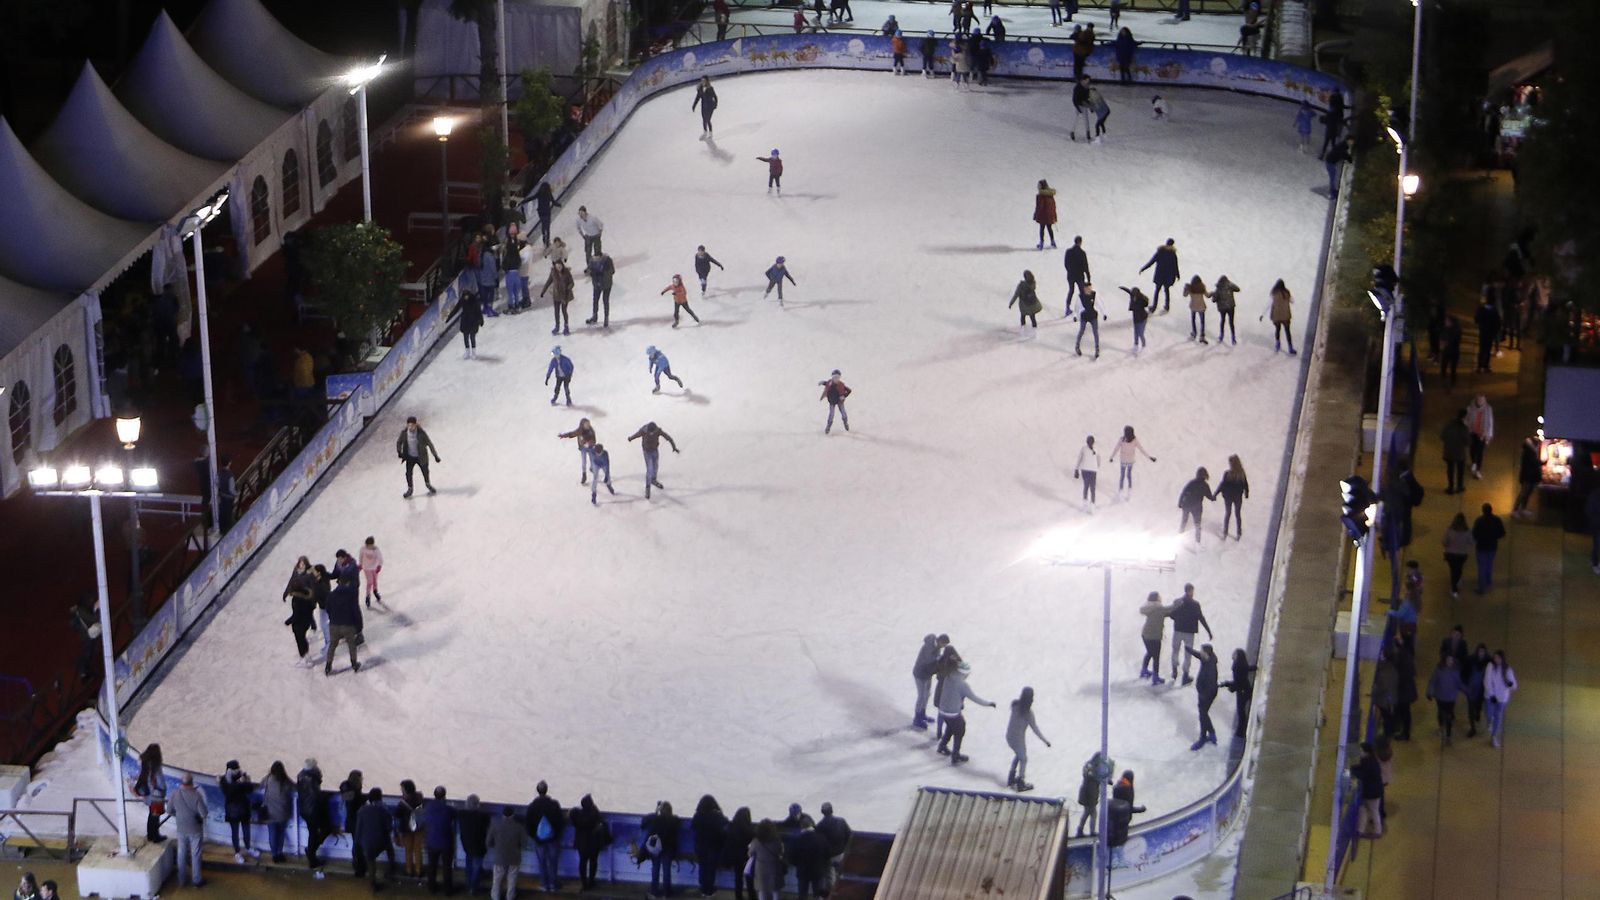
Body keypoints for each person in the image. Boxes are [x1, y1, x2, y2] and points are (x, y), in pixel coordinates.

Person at [935, 660, 997, 764]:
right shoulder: (962, 684)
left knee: (951, 727)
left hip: (942, 710)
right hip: (953, 713)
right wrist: (988, 704)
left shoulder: (948, 677)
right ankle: (955, 755)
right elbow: (974, 698)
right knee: (960, 730)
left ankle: (942, 746)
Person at [1005, 687, 1052, 791]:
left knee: (1019, 755)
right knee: (1023, 759)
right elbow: (1035, 729)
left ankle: (1011, 777)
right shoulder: (1028, 713)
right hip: (1018, 740)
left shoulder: (1015, 706)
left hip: (1009, 736)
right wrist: (1045, 741)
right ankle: (1021, 782)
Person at [354, 787, 398, 892]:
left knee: (371, 861)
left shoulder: (362, 810)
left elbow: (358, 829)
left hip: (367, 843)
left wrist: (357, 844)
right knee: (390, 849)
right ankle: (391, 868)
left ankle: (373, 883)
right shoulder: (383, 810)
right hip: (381, 840)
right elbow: (389, 827)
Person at [1168, 584, 1213, 685]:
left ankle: (1174, 670)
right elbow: (1201, 618)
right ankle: (1185, 676)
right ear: (1191, 591)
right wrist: (1208, 631)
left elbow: (1171, 614)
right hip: (1189, 632)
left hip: (1178, 630)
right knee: (1188, 653)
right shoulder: (1195, 604)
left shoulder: (1177, 601)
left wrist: (1178, 619)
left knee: (1175, 650)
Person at [170, 772, 208, 887]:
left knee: (181, 853)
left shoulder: (175, 794)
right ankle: (196, 880)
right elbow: (204, 813)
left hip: (181, 827)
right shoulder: (196, 795)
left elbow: (169, 810)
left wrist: (179, 816)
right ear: (192, 782)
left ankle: (181, 880)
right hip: (195, 828)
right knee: (195, 854)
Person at [324, 568, 363, 675]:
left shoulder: (331, 595)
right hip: (348, 625)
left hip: (334, 625)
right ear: (348, 582)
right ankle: (354, 664)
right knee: (351, 644)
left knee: (332, 645)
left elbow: (327, 609)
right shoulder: (351, 595)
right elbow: (356, 611)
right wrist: (359, 627)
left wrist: (333, 618)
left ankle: (328, 666)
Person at [220, 761, 259, 863]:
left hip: (244, 809)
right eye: (236, 769)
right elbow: (229, 793)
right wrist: (240, 783)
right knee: (235, 833)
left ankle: (248, 848)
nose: (238, 770)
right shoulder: (224, 780)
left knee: (246, 831)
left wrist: (246, 781)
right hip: (232, 811)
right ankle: (237, 852)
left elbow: (249, 789)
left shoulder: (240, 776)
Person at [629, 421, 680, 499]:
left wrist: (674, 447)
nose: (651, 434)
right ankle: (648, 487)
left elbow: (668, 437)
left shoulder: (658, 431)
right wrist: (631, 438)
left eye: (653, 432)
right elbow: (636, 435)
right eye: (650, 432)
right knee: (649, 469)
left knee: (655, 466)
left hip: (655, 450)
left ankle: (653, 479)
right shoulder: (644, 430)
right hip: (647, 452)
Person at [298, 760, 331, 878]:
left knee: (312, 832)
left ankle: (311, 854)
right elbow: (316, 797)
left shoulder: (301, 776)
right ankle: (311, 853)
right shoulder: (312, 780)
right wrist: (326, 797)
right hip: (313, 811)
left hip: (305, 810)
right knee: (326, 829)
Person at [641, 800, 682, 898]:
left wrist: (656, 811)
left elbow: (645, 822)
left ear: (661, 810)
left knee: (655, 869)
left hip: (656, 849)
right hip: (669, 849)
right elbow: (678, 822)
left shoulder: (656, 819)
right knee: (666, 870)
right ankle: (667, 892)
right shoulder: (674, 821)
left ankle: (654, 891)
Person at [569, 794, 609, 892]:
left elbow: (572, 816)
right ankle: (591, 881)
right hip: (594, 843)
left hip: (582, 843)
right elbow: (602, 823)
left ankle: (584, 883)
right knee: (593, 862)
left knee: (582, 863)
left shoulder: (578, 815)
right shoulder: (595, 814)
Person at [488, 804, 528, 899]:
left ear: (502, 815)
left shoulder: (495, 825)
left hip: (499, 857)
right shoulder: (519, 827)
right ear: (513, 815)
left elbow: (488, 842)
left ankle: (495, 897)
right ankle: (510, 897)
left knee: (497, 880)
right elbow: (524, 845)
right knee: (512, 880)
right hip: (514, 858)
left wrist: (497, 847)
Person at [282, 556, 317, 663]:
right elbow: (291, 581)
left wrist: (288, 621)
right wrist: (285, 593)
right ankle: (311, 627)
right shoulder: (296, 572)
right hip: (303, 599)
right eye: (300, 563)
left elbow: (313, 586)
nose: (301, 565)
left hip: (307, 597)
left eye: (303, 563)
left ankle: (313, 626)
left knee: (307, 614)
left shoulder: (309, 574)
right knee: (306, 614)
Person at [1185, 644, 1220, 749]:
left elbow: (1211, 685)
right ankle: (1210, 734)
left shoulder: (1211, 667)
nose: (1200, 652)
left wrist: (1203, 695)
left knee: (1203, 715)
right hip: (1204, 693)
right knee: (1203, 714)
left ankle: (1204, 737)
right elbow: (1198, 655)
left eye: (1202, 651)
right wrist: (1189, 649)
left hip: (1207, 694)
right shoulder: (1207, 658)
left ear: (1206, 653)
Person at [691, 795, 727, 897]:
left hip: (700, 846)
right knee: (711, 869)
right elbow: (724, 825)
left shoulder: (698, 815)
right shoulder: (717, 816)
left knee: (702, 867)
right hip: (713, 846)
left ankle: (703, 888)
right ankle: (709, 890)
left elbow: (693, 827)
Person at [396, 416, 441, 498]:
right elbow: (399, 442)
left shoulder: (421, 433)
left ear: (416, 425)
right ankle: (410, 489)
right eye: (409, 426)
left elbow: (430, 444)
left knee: (425, 471)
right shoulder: (404, 433)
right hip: (410, 457)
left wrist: (435, 456)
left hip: (421, 457)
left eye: (412, 425)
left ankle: (428, 484)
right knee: (408, 473)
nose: (410, 427)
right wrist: (399, 451)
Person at [423, 785, 458, 894]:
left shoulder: (428, 807)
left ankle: (431, 887)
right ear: (444, 796)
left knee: (432, 866)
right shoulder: (449, 809)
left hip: (431, 841)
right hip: (446, 843)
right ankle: (448, 890)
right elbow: (454, 816)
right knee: (447, 867)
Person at [1425, 655, 1466, 745]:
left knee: (1449, 716)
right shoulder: (1439, 670)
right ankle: (1441, 727)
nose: (1449, 662)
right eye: (1448, 660)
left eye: (1451, 660)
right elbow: (1433, 681)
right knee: (1440, 713)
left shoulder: (1455, 671)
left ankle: (1448, 735)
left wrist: (1467, 691)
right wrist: (1429, 692)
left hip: (1450, 699)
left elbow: (1459, 684)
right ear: (1445, 660)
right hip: (1440, 697)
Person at [132, 743, 166, 843]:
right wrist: (163, 789)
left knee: (151, 814)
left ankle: (150, 835)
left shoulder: (145, 763)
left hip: (148, 793)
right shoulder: (156, 766)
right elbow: (160, 782)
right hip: (156, 794)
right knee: (155, 816)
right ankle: (155, 836)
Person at [912, 634, 948, 729]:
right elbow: (929, 659)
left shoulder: (938, 647)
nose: (943, 647)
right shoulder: (929, 646)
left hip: (928, 674)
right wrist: (939, 658)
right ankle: (917, 718)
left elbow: (936, 659)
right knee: (921, 695)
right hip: (920, 674)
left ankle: (922, 713)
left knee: (927, 694)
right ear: (940, 641)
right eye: (943, 645)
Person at [261, 760, 293, 863]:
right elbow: (294, 788)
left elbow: (261, 785)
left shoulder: (268, 779)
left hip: (270, 813)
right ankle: (279, 853)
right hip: (283, 813)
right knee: (281, 833)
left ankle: (275, 854)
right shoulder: (285, 781)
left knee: (273, 834)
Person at [1350, 742, 1384, 838]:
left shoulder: (1369, 763)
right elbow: (1361, 768)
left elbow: (1362, 774)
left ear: (1366, 752)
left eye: (1361, 750)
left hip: (1372, 793)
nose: (1359, 752)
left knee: (1373, 811)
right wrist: (1353, 768)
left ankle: (1378, 832)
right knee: (1364, 810)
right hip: (1372, 792)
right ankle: (1360, 830)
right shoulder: (1369, 760)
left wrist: (1352, 771)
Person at [1483, 650, 1517, 748]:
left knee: (1498, 717)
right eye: (1495, 657)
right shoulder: (1490, 666)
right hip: (1490, 697)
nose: (1496, 659)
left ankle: (1494, 736)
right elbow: (1487, 681)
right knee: (1489, 714)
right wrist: (1491, 694)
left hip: (1502, 698)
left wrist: (1510, 684)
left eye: (1498, 658)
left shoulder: (1507, 670)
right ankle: (1490, 721)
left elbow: (1514, 685)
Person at [1138, 592, 1173, 683]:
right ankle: (1155, 677)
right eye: (1159, 596)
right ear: (1156, 598)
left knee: (1150, 653)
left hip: (1145, 634)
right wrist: (1178, 603)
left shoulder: (1149, 607)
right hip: (1154, 636)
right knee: (1156, 657)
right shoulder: (1159, 608)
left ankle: (1144, 671)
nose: (1161, 597)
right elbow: (1170, 609)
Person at [1471, 502, 1507, 593]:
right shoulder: (1497, 520)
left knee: (1482, 567)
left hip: (1481, 546)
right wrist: (1494, 537)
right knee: (1489, 564)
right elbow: (1502, 533)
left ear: (1483, 511)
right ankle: (1488, 581)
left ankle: (1482, 587)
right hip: (1492, 546)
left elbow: (1474, 534)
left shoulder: (1479, 521)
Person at [1110, 425, 1156, 494]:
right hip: (1131, 461)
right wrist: (1149, 457)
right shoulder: (1134, 440)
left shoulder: (1122, 439)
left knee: (1122, 475)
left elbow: (1116, 449)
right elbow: (1141, 449)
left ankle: (1121, 490)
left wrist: (1111, 457)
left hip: (1123, 460)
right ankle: (1129, 489)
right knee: (1129, 475)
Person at [1139, 239, 1181, 313]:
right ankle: (1167, 306)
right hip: (1168, 276)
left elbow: (1151, 261)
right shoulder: (1173, 254)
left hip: (1160, 275)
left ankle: (1154, 307)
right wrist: (1177, 275)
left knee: (1157, 291)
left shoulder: (1160, 252)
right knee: (1166, 290)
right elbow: (1175, 266)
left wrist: (1143, 268)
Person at [1074, 752, 1110, 837]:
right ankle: (1092, 832)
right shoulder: (1096, 768)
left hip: (1084, 793)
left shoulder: (1088, 765)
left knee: (1087, 812)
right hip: (1090, 794)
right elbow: (1098, 778)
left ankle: (1080, 830)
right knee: (1093, 813)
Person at [748, 819, 786, 900]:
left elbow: (750, 853)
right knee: (775, 890)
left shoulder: (756, 841)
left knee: (762, 890)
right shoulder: (777, 841)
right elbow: (781, 852)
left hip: (761, 868)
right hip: (774, 868)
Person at [1177, 467, 1216, 543]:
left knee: (1184, 520)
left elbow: (1184, 492)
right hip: (1197, 507)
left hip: (1186, 505)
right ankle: (1197, 541)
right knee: (1197, 524)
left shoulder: (1191, 483)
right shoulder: (1205, 485)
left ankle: (1180, 535)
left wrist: (1180, 502)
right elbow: (1209, 496)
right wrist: (1213, 498)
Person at [397, 780, 426, 879]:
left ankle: (409, 870)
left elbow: (397, 815)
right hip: (419, 827)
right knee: (418, 850)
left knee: (408, 850)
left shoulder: (402, 803)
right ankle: (419, 870)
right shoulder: (420, 797)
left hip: (407, 829)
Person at [1217, 455, 1249, 539]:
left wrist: (1216, 494)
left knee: (1228, 514)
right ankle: (1238, 533)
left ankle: (1225, 532)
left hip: (1228, 497)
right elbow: (1245, 484)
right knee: (1237, 514)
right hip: (1237, 497)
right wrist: (1246, 493)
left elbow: (1222, 485)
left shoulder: (1228, 474)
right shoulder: (1241, 473)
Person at [541, 258, 576, 336]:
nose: (559, 268)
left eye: (560, 266)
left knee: (564, 311)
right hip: (556, 295)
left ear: (562, 266)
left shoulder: (566, 272)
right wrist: (543, 291)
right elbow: (548, 282)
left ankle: (566, 327)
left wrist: (568, 288)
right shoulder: (553, 272)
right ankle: (557, 326)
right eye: (557, 267)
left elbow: (572, 282)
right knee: (556, 312)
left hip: (565, 295)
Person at [1261, 279, 1297, 354]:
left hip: (1276, 316)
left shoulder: (1274, 293)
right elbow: (1292, 301)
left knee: (1277, 330)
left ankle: (1277, 344)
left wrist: (1262, 315)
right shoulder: (1286, 292)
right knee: (1287, 331)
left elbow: (1268, 304)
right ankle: (1290, 348)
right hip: (1286, 316)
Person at [559, 417, 598, 484]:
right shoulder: (579, 431)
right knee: (584, 462)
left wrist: (590, 443)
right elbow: (572, 434)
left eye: (588, 424)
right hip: (583, 448)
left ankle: (592, 468)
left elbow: (594, 440)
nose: (588, 425)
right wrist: (563, 435)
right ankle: (584, 475)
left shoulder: (591, 431)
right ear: (582, 425)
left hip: (591, 447)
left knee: (592, 460)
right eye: (586, 424)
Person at [1371, 646, 1399, 739]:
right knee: (1389, 715)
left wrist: (1374, 694)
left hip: (1385, 700)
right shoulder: (1393, 669)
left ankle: (1388, 733)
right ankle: (1391, 730)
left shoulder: (1383, 672)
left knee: (1387, 717)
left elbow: (1381, 688)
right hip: (1391, 698)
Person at [502, 223, 530, 311]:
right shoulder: (517, 254)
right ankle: (517, 305)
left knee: (510, 291)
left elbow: (504, 265)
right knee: (516, 291)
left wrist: (505, 268)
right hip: (517, 272)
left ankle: (511, 306)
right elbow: (519, 262)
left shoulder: (507, 255)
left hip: (510, 273)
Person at [1466, 394, 1495, 479]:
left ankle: (1478, 469)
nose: (1480, 402)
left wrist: (1489, 435)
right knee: (1472, 449)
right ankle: (1474, 462)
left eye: (1482, 400)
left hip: (1482, 434)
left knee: (1480, 452)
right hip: (1472, 432)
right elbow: (1467, 419)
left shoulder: (1488, 409)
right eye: (1479, 400)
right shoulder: (1470, 408)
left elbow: (1490, 422)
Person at [1512, 436, 1542, 518]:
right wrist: (1542, 462)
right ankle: (1515, 510)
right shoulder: (1530, 452)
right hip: (1528, 476)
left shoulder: (1530, 451)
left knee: (1527, 493)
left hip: (1529, 476)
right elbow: (1534, 463)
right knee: (1524, 493)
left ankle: (1522, 509)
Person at [585, 250, 615, 327]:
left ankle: (606, 318)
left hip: (606, 284)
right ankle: (594, 316)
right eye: (594, 257)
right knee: (595, 300)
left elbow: (612, 271)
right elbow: (589, 269)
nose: (595, 259)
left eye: (597, 258)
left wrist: (601, 274)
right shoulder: (592, 260)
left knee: (605, 300)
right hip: (596, 284)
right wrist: (589, 272)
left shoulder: (607, 261)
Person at [1474, 290, 1501, 373]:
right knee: (1488, 349)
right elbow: (1498, 322)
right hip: (1490, 332)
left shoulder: (1481, 309)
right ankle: (1485, 366)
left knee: (1482, 349)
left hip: (1483, 331)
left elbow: (1476, 319)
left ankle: (1479, 366)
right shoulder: (1494, 310)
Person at [1062, 236, 1091, 312]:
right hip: (1079, 276)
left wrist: (1069, 271)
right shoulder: (1082, 253)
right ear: (1080, 242)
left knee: (1071, 290)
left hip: (1071, 275)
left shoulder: (1068, 251)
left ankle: (1067, 307)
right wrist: (1088, 278)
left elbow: (1066, 264)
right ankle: (1085, 307)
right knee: (1082, 292)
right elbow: (1086, 266)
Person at [819, 369, 851, 434]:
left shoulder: (841, 385)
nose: (836, 379)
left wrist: (844, 396)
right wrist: (823, 383)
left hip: (840, 401)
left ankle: (845, 423)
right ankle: (828, 426)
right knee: (831, 414)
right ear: (832, 377)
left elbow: (849, 390)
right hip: (832, 401)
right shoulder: (830, 383)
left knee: (843, 413)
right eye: (834, 377)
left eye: (837, 378)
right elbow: (827, 384)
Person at [1121, 285, 1151, 352]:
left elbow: (1146, 302)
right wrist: (1123, 288)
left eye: (1134, 295)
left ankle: (1143, 344)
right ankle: (1136, 344)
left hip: (1142, 318)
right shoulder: (1132, 295)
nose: (1133, 297)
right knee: (1135, 332)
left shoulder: (1141, 300)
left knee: (1140, 333)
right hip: (1136, 318)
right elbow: (1128, 291)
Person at [530, 182, 559, 248]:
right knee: (547, 226)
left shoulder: (539, 193)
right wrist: (559, 205)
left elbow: (532, 198)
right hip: (547, 212)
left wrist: (523, 201)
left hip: (540, 212)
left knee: (543, 224)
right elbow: (553, 202)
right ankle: (547, 241)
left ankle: (544, 237)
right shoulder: (548, 194)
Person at [1073, 435, 1100, 504]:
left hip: (1089, 470)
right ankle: (1090, 503)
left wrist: (1076, 469)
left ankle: (1087, 502)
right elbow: (1098, 460)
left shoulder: (1093, 449)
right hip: (1088, 470)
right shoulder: (1086, 449)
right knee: (1090, 487)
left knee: (1088, 486)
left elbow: (1098, 459)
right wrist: (1076, 469)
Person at [1439, 313, 1462, 389]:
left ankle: (1451, 382)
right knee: (1446, 367)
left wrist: (1444, 344)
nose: (1445, 322)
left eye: (1447, 321)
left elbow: (1451, 341)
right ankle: (1448, 381)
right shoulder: (1447, 329)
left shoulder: (1454, 331)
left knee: (1451, 368)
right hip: (1450, 351)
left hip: (1451, 351)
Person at [1033, 180, 1057, 250]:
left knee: (1042, 229)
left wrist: (1036, 215)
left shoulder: (1041, 196)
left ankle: (1041, 243)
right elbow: (1053, 206)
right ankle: (1053, 241)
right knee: (1049, 228)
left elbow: (1040, 207)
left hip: (1043, 216)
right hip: (1050, 216)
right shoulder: (1050, 195)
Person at [359, 536, 384, 606]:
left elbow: (380, 558)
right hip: (366, 568)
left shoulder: (376, 550)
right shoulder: (363, 549)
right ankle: (368, 596)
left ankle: (375, 591)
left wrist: (379, 565)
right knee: (370, 582)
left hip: (374, 567)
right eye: (367, 545)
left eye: (370, 546)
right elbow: (360, 556)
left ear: (373, 544)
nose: (368, 547)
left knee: (375, 581)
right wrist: (360, 565)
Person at [1070, 75, 1093, 140]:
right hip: (1078, 104)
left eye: (1088, 81)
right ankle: (1072, 132)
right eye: (1087, 80)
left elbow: (1087, 97)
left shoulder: (1087, 87)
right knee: (1076, 119)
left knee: (1086, 120)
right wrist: (1077, 108)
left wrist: (1090, 106)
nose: (1088, 82)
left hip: (1084, 104)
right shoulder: (1077, 87)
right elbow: (1074, 99)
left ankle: (1088, 133)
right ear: (1083, 80)